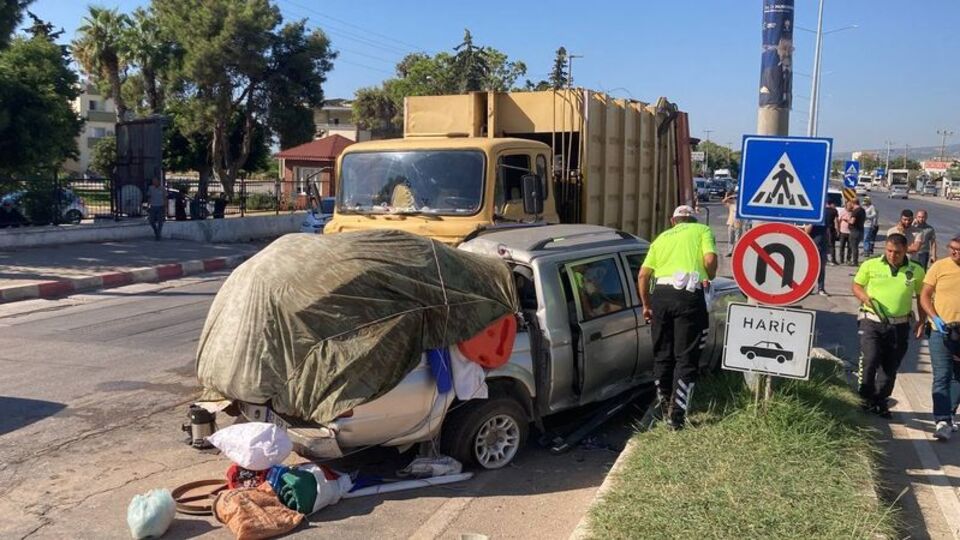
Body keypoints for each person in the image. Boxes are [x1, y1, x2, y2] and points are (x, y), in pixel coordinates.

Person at [638, 205, 718, 429]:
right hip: (689, 296)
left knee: (662, 355)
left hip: (660, 296)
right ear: (693, 220)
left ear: (673, 221)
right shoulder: (702, 230)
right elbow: (710, 260)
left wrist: (646, 305)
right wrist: (710, 274)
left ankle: (664, 407)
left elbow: (643, 275)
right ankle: (677, 416)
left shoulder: (661, 238)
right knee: (686, 356)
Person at [852, 233, 926, 418]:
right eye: (889, 251)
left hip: (899, 325)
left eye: (897, 252)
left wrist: (922, 321)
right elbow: (857, 285)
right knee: (870, 358)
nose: (893, 255)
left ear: (906, 250)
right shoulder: (871, 264)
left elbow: (922, 297)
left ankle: (880, 401)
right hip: (871, 321)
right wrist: (865, 298)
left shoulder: (916, 270)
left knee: (890, 366)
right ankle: (865, 398)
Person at [919, 233, 960, 440]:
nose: (955, 253)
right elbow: (925, 295)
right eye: (952, 248)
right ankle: (942, 421)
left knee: (958, 377)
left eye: (959, 250)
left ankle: (950, 414)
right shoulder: (939, 267)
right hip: (941, 331)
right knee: (942, 376)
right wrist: (934, 317)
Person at [804, 218, 829, 296]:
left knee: (822, 268)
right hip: (813, 246)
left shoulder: (824, 218)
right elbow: (807, 230)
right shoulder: (813, 218)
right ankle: (808, 289)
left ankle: (821, 288)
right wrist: (813, 222)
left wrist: (828, 246)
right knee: (810, 268)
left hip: (823, 246)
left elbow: (827, 232)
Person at [845, 199, 866, 266]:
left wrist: (847, 220)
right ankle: (855, 260)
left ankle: (854, 261)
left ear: (853, 203)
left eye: (850, 203)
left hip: (855, 231)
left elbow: (852, 221)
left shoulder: (856, 211)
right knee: (855, 246)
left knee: (854, 247)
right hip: (860, 230)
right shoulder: (862, 210)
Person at [722, 190, 741, 257]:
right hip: (731, 223)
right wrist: (728, 196)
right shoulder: (731, 204)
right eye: (734, 197)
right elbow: (724, 201)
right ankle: (730, 252)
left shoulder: (740, 205)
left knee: (737, 240)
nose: (735, 198)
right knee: (730, 239)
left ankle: (737, 252)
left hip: (738, 224)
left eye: (736, 197)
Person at [825, 199, 840, 265]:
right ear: (831, 204)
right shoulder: (834, 211)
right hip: (831, 229)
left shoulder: (823, 210)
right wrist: (838, 230)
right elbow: (836, 221)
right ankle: (833, 260)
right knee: (832, 245)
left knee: (825, 244)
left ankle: (825, 259)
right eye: (834, 204)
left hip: (824, 229)